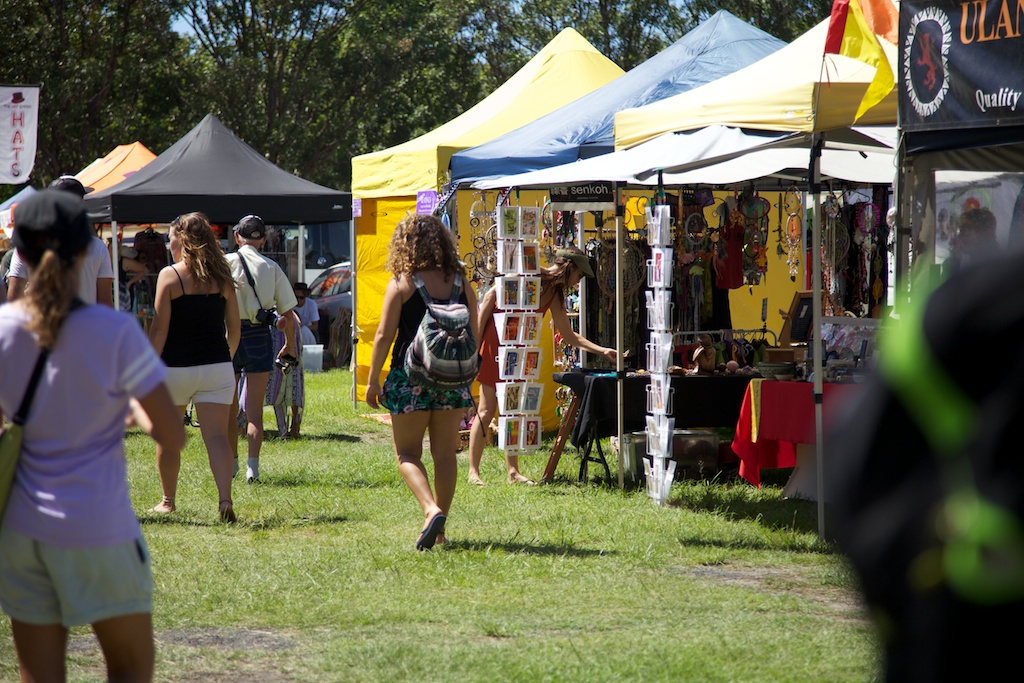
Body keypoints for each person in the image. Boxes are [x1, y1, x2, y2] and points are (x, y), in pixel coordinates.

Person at [0, 190, 185, 682]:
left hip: (20, 531)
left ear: (18, 252)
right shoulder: (113, 330)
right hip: (98, 527)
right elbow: (172, 433)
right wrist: (133, 413)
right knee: (128, 666)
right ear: (87, 251)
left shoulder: (2, 330)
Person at [366, 213, 478, 551]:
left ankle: (430, 511)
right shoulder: (459, 280)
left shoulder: (403, 281)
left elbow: (385, 335)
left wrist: (373, 380)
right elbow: (473, 327)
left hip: (408, 377)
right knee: (445, 455)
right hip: (452, 379)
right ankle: (441, 528)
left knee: (408, 454)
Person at [467, 246, 617, 486]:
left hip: (519, 347)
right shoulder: (531, 273)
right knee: (487, 409)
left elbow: (569, 336)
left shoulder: (555, 295)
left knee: (513, 409)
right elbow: (489, 297)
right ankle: (473, 472)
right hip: (496, 341)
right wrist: (475, 345)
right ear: (569, 268)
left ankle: (513, 472)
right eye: (579, 275)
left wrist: (602, 350)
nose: (578, 282)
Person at [147, 212, 241, 522]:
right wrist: (223, 357)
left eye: (171, 235)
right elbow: (235, 329)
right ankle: (225, 500)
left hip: (175, 368)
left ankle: (168, 501)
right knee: (216, 437)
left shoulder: (170, 276)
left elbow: (159, 331)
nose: (168, 240)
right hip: (217, 366)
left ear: (181, 239)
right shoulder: (223, 277)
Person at [226, 215, 297, 484]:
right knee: (255, 410)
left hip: (229, 334)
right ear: (263, 240)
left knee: (230, 409)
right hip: (259, 334)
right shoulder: (271, 266)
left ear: (237, 237)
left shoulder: (225, 263)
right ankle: (252, 468)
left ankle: (232, 464)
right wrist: (290, 345)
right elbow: (287, 312)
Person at [6, 175, 114, 306]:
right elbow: (105, 303)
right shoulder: (98, 246)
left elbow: (13, 300)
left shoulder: (28, 244)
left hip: (39, 324)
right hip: (86, 324)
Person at [292, 281, 320, 346]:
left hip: (308, 332)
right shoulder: (290, 305)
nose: (298, 300)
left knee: (304, 330)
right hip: (292, 332)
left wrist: (301, 329)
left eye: (301, 298)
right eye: (296, 297)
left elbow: (315, 326)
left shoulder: (312, 304)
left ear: (305, 296)